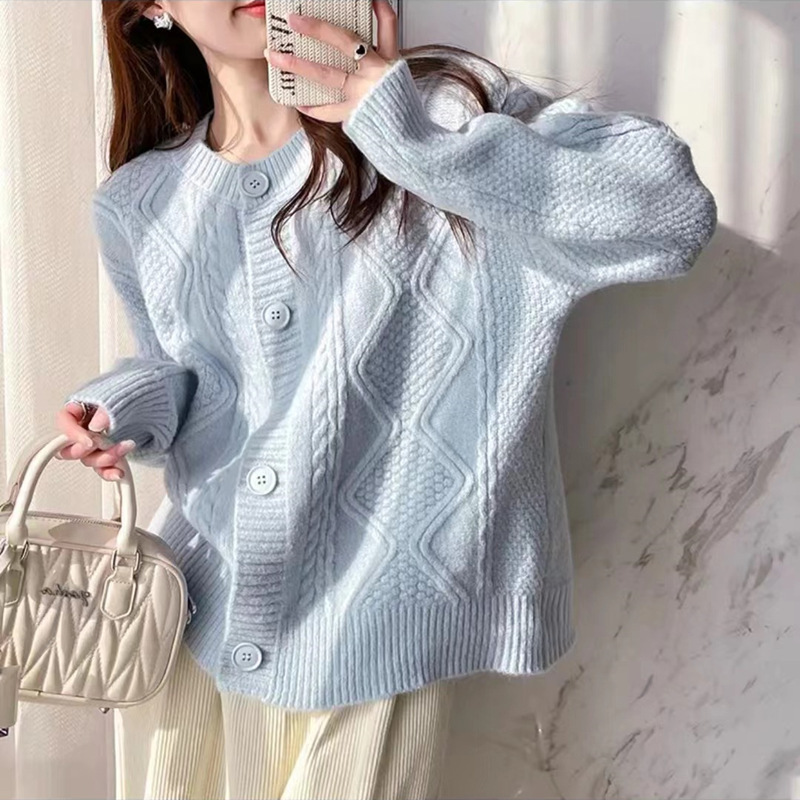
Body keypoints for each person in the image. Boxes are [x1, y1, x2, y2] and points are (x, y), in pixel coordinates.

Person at [54, 0, 718, 798]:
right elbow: (193, 375)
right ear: (149, 7)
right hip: (204, 613)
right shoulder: (139, 201)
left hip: (375, 618)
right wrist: (121, 407)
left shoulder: (436, 111)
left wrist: (401, 130)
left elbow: (672, 212)